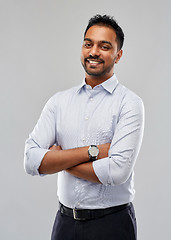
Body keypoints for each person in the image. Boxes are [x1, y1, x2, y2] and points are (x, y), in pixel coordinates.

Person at [24, 14, 144, 240]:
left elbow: (117, 172)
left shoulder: (130, 103)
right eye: (88, 44)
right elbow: (31, 161)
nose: (94, 51)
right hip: (65, 224)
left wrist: (57, 160)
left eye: (104, 46)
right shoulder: (58, 102)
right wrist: (94, 152)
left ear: (118, 55)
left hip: (112, 225)